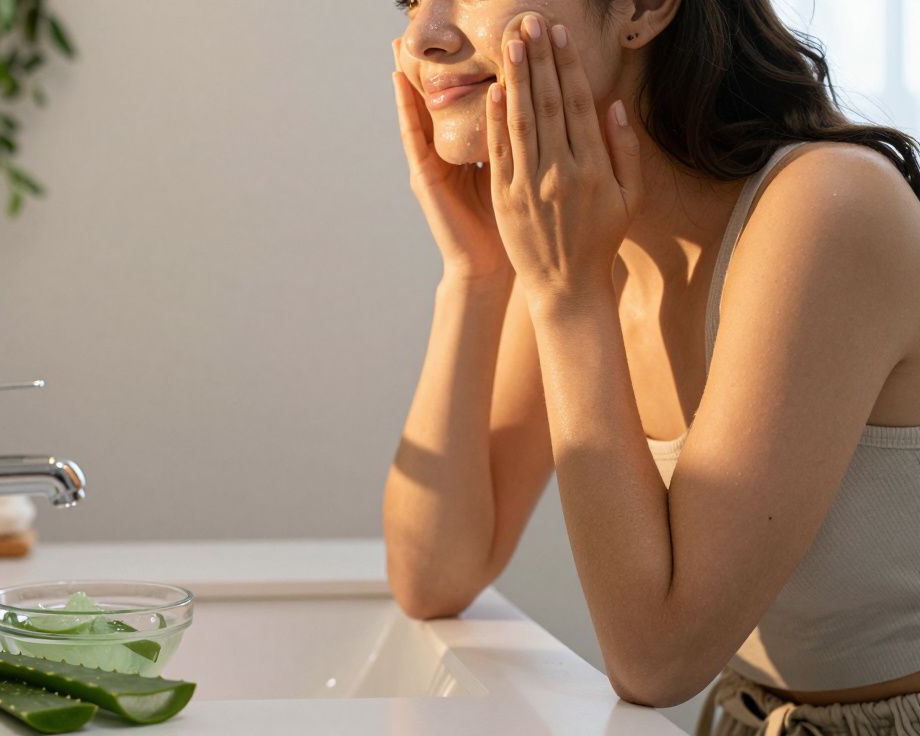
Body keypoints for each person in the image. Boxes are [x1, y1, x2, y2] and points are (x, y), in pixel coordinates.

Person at [382, 1, 920, 732]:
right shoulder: (585, 238)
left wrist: (568, 298)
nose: (423, 36)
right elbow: (432, 573)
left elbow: (659, 661)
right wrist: (474, 274)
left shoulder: (829, 209)